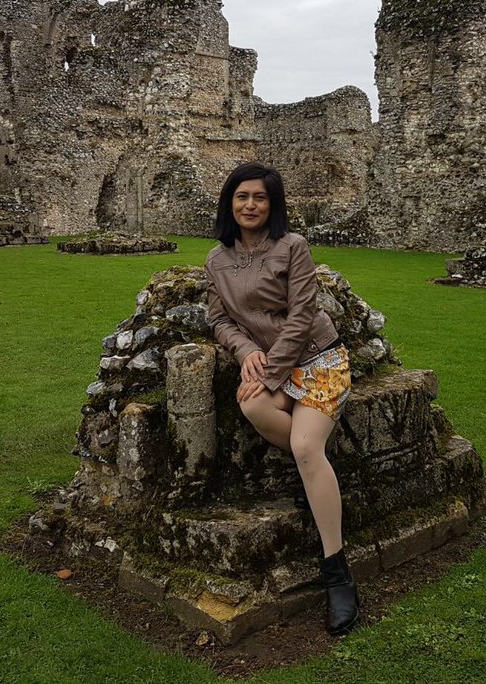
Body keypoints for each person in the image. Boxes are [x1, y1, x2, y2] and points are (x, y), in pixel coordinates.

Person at [204, 161, 361, 636]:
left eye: (260, 198)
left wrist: (272, 372)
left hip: (316, 359)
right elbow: (219, 320)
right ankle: (321, 470)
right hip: (269, 363)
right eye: (242, 197)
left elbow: (302, 314)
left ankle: (337, 571)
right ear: (230, 203)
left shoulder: (293, 247)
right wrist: (246, 349)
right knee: (251, 406)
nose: (250, 205)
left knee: (306, 448)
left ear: (273, 205)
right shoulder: (216, 260)